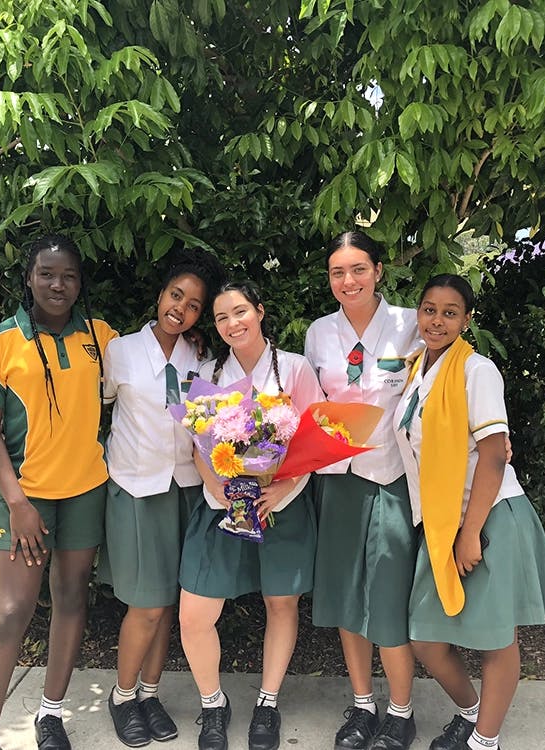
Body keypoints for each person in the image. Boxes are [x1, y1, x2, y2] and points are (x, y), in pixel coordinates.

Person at [392, 274, 545, 750]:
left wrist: (470, 533)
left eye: (450, 312)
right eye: (429, 309)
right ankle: (470, 713)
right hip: (441, 520)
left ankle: (484, 740)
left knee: (494, 638)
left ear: (466, 320)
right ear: (418, 314)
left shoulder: (476, 370)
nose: (437, 320)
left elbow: (492, 454)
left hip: (487, 519)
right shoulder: (415, 369)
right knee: (426, 637)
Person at [0, 234, 118, 750]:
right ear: (29, 278)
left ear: (80, 283)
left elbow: (150, 369)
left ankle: (50, 714)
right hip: (27, 498)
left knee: (73, 599)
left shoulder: (101, 337)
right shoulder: (2, 341)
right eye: (47, 274)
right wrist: (16, 503)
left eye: (69, 276)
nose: (59, 285)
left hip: (86, 491)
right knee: (11, 611)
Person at [178, 280, 323, 750]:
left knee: (281, 603)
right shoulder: (207, 374)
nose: (232, 323)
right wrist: (219, 485)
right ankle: (213, 704)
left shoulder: (295, 369)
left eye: (240, 312)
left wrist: (279, 488)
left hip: (281, 502)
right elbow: (197, 440)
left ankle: (268, 701)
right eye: (221, 317)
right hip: (221, 505)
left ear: (259, 311)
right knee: (194, 613)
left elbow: (316, 440)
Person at [98, 248, 225, 747]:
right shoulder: (121, 352)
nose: (182, 309)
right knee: (146, 604)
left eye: (194, 305)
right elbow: (103, 408)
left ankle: (150, 694)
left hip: (187, 492)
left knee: (170, 601)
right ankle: (123, 695)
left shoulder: (203, 358)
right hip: (136, 489)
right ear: (161, 293)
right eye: (177, 295)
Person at [304, 230, 423, 750]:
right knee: (346, 598)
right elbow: (307, 403)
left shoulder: (410, 326)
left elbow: (440, 391)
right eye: (337, 272)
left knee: (388, 597)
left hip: (391, 478)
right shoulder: (319, 333)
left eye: (358, 269)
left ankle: (401, 711)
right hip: (337, 482)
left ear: (378, 270)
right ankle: (362, 706)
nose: (347, 281)